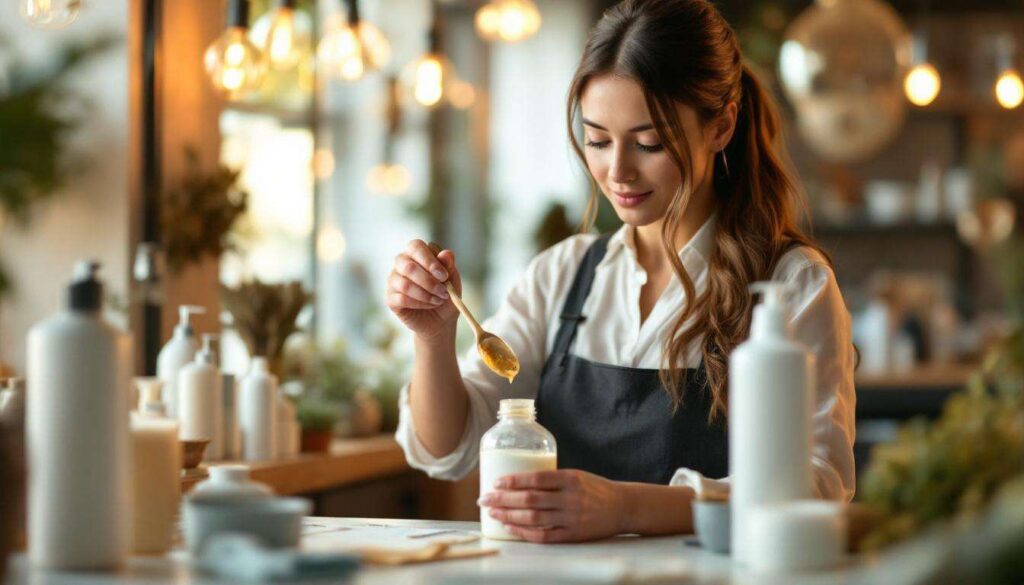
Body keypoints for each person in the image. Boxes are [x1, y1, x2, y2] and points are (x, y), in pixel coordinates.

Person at [385, 0, 855, 543]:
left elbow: (816, 481)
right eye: (598, 140)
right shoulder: (562, 275)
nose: (618, 171)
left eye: (649, 142)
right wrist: (433, 339)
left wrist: (626, 507)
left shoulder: (792, 286)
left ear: (722, 125)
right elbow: (447, 449)